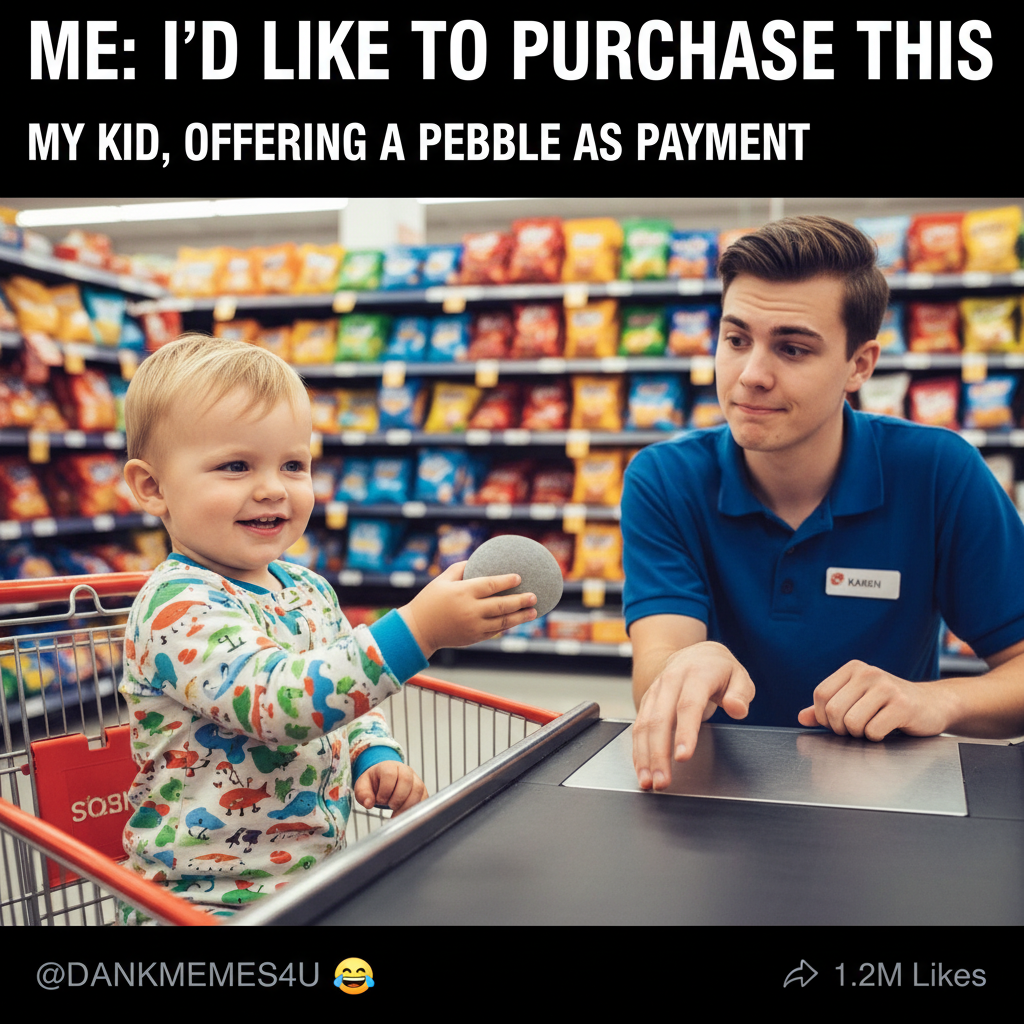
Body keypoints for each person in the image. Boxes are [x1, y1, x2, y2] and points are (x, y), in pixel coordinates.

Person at [118, 334, 538, 919]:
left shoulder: (307, 589)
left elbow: (345, 690)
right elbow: (277, 702)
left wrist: (372, 753)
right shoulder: (176, 607)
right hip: (200, 903)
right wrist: (418, 630)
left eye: (293, 464)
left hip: (310, 880)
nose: (272, 487)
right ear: (152, 487)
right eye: (236, 466)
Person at [623, 215, 1024, 792]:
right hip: (714, 802)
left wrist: (936, 700)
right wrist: (685, 667)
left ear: (859, 365)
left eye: (791, 348)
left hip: (884, 812)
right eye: (736, 340)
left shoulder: (938, 472)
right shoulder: (663, 479)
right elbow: (659, 660)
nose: (752, 375)